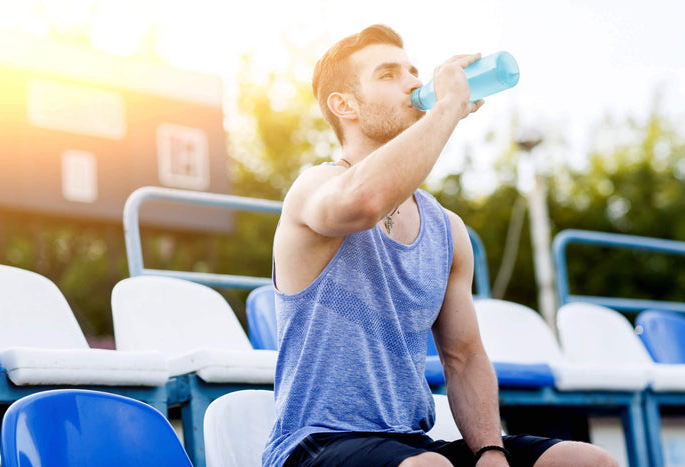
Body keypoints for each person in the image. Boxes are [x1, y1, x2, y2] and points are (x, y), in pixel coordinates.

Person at [262, 24, 618, 467]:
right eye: (389, 74)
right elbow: (365, 202)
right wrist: (447, 106)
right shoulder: (315, 186)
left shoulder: (447, 230)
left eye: (412, 71)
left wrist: (491, 451)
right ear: (344, 105)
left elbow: (464, 356)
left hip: (412, 443)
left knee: (587, 461)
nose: (413, 82)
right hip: (315, 444)